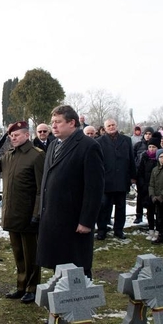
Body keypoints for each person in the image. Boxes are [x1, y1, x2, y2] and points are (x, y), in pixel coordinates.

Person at [37, 105, 104, 278]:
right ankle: (61, 300)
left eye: (58, 122)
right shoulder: (52, 145)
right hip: (53, 218)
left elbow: (94, 188)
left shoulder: (89, 147)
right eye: (52, 122)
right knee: (58, 265)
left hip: (74, 221)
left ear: (72, 123)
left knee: (77, 268)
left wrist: (86, 221)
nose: (54, 126)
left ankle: (80, 303)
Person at [0, 121, 45, 303]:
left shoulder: (36, 156)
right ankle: (21, 285)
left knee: (31, 254)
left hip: (28, 214)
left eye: (16, 135)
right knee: (18, 252)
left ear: (27, 135)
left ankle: (32, 287)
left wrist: (37, 213)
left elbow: (41, 189)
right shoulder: (9, 155)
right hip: (12, 212)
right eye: (10, 136)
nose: (13, 138)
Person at [96, 119, 136, 240]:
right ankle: (102, 230)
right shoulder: (99, 142)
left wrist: (133, 176)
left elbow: (131, 159)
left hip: (122, 179)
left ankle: (118, 230)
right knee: (104, 207)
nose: (111, 127)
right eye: (109, 125)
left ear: (116, 125)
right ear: (105, 128)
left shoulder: (126, 140)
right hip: (106, 180)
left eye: (113, 125)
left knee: (120, 207)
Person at [136, 133, 161, 239]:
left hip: (158, 188)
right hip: (146, 187)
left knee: (159, 211)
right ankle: (151, 229)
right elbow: (140, 172)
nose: (151, 149)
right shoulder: (144, 157)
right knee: (149, 210)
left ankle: (159, 230)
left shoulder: (161, 158)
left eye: (154, 147)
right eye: (150, 147)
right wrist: (142, 185)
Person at [133, 127, 154, 223]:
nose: (148, 136)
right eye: (146, 134)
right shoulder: (138, 145)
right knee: (140, 195)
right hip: (140, 174)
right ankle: (139, 215)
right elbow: (133, 159)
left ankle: (151, 214)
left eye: (150, 134)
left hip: (152, 175)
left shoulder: (155, 145)